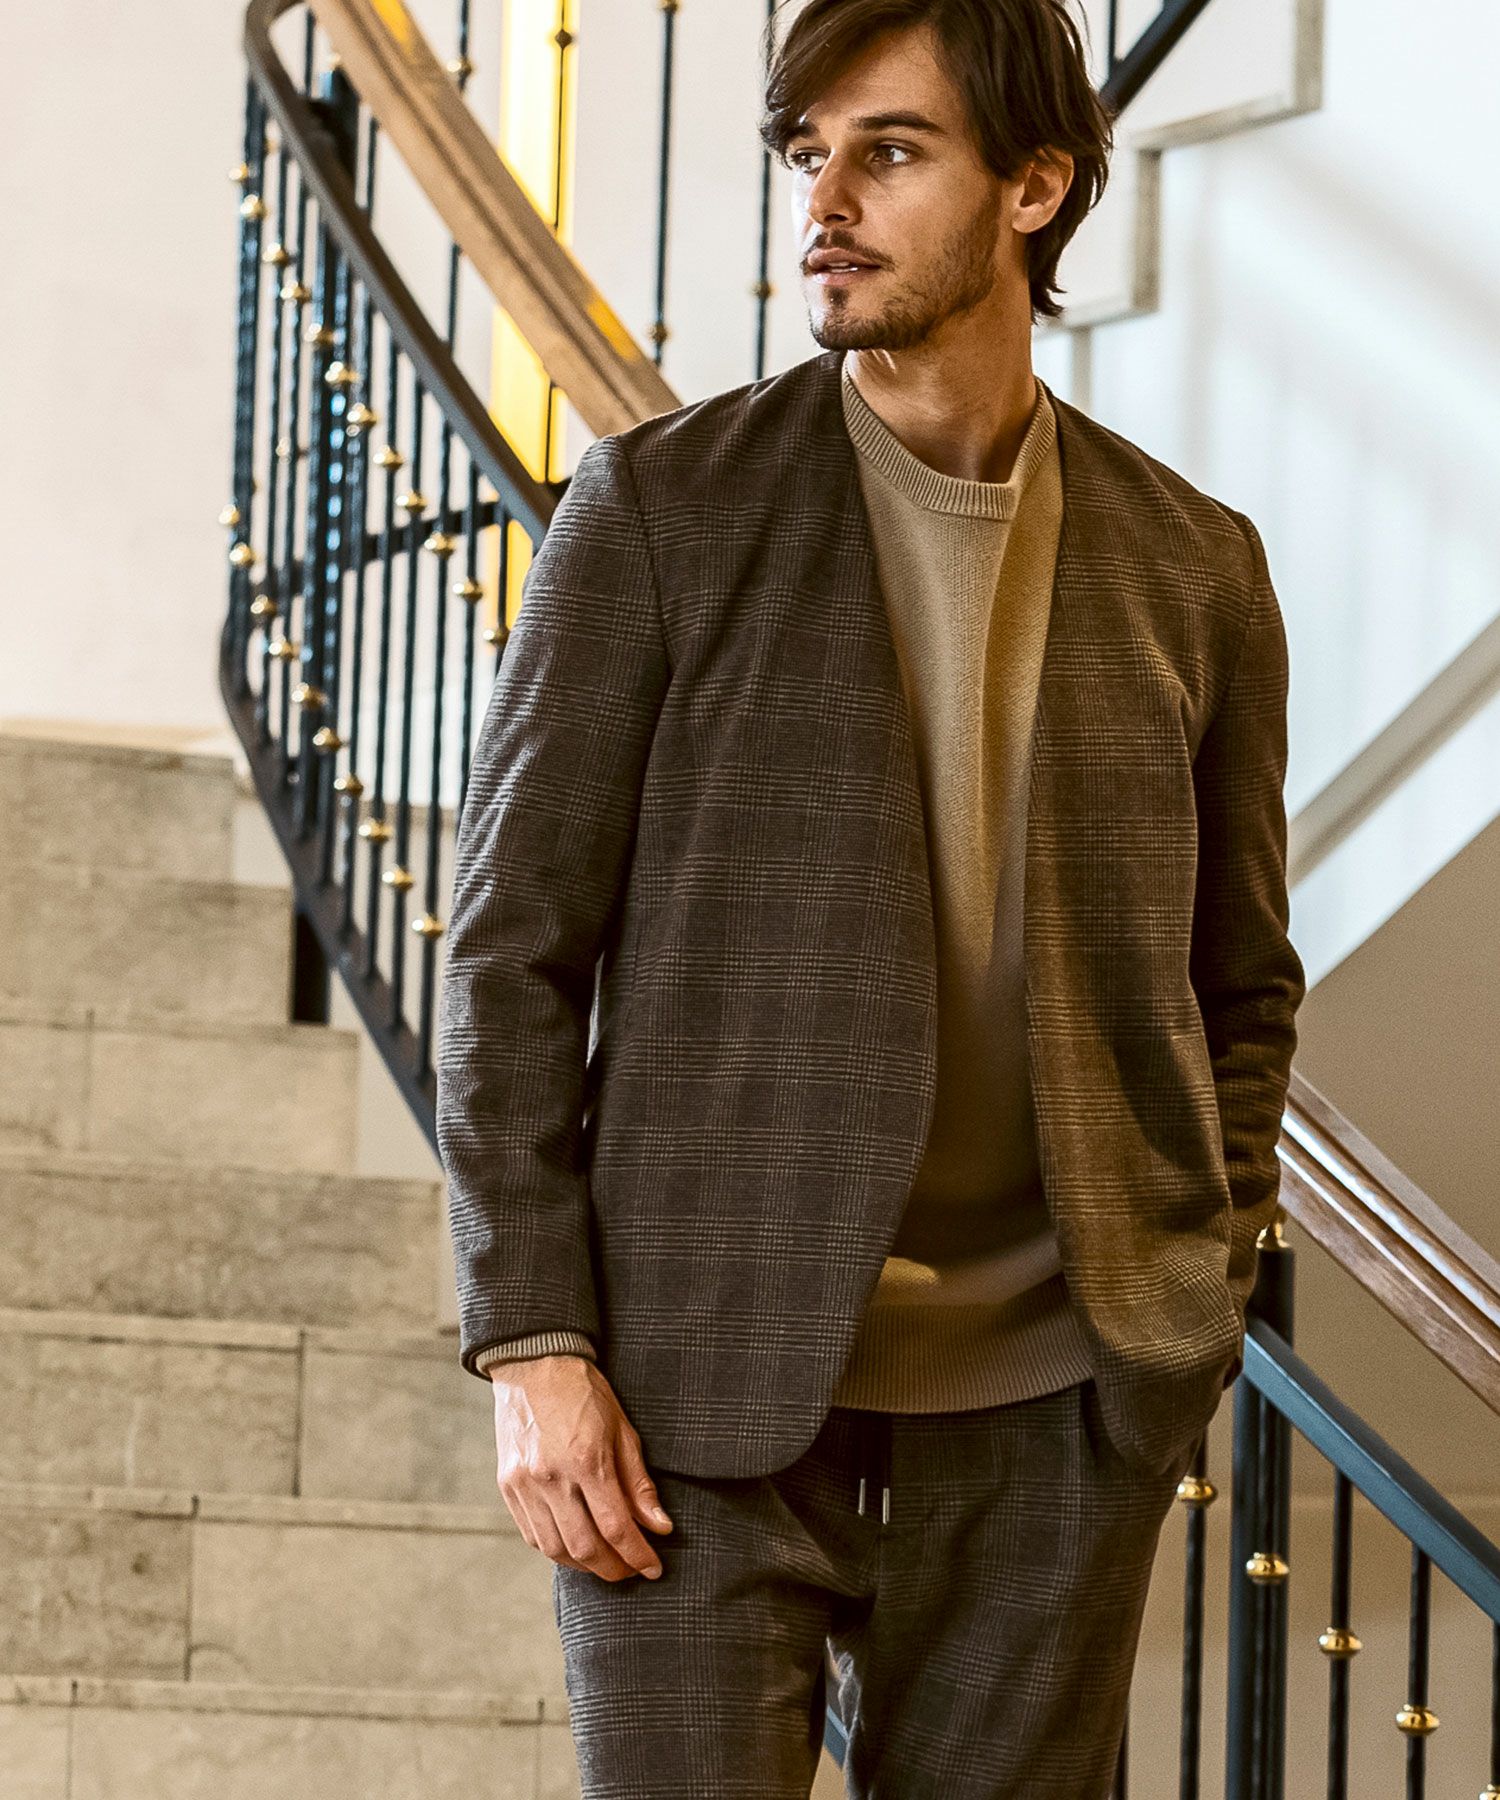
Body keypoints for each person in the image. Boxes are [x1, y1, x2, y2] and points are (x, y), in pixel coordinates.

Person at [435, 0, 1306, 1793]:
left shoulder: (1197, 567)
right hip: (690, 1389)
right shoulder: (662, 510)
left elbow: (1241, 982)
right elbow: (507, 951)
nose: (824, 204)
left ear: (1034, 188)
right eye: (806, 154)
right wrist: (533, 1340)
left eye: (889, 152)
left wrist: (1190, 1293)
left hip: (1060, 1402)